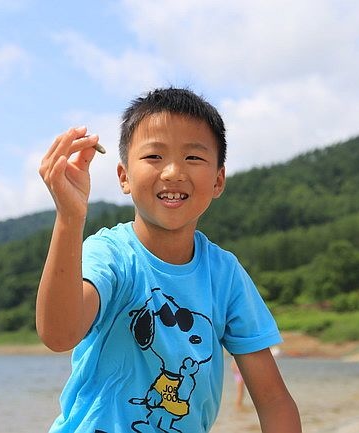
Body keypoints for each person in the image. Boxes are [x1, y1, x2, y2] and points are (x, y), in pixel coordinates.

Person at [36, 87, 301, 433]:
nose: (173, 172)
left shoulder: (224, 274)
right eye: (154, 157)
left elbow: (273, 400)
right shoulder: (112, 255)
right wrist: (69, 219)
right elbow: (59, 334)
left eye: (193, 158)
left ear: (218, 179)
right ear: (124, 177)